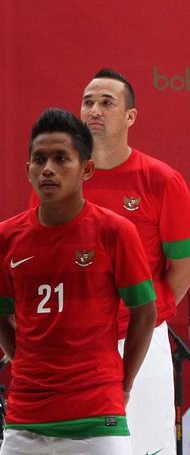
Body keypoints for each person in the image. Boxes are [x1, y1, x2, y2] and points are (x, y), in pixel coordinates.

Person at [0, 108, 156, 454]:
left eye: (60, 159)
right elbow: (1, 314)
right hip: (25, 419)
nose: (48, 169)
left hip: (97, 419)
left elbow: (145, 312)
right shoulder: (6, 238)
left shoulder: (116, 232)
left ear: (86, 169)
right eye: (39, 160)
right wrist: (24, 360)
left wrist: (123, 382)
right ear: (27, 171)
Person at [62, 68, 190, 455]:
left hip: (140, 343)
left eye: (107, 102)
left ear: (130, 116)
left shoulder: (162, 180)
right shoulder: (60, 178)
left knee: (146, 447)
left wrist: (149, 317)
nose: (95, 110)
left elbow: (186, 266)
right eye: (88, 101)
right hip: (73, 345)